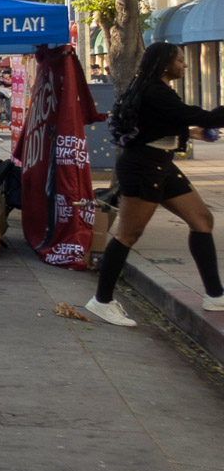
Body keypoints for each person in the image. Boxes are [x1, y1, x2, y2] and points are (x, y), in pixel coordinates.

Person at [88, 43, 224, 325]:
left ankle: (215, 295)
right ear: (165, 64)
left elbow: (165, 124)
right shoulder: (155, 91)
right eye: (180, 60)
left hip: (160, 165)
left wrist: (193, 133)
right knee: (128, 234)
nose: (184, 65)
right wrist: (205, 123)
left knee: (202, 220)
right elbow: (201, 116)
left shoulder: (153, 89)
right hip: (143, 169)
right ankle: (101, 301)